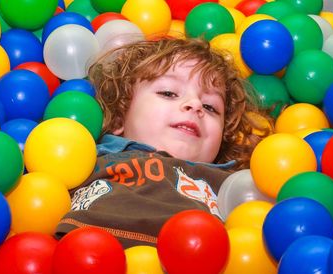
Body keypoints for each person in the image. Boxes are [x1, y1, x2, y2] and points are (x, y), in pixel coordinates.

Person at [55, 38, 272, 248]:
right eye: (168, 93)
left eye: (210, 107)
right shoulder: (87, 158)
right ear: (120, 118)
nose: (195, 104)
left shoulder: (233, 185)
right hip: (88, 254)